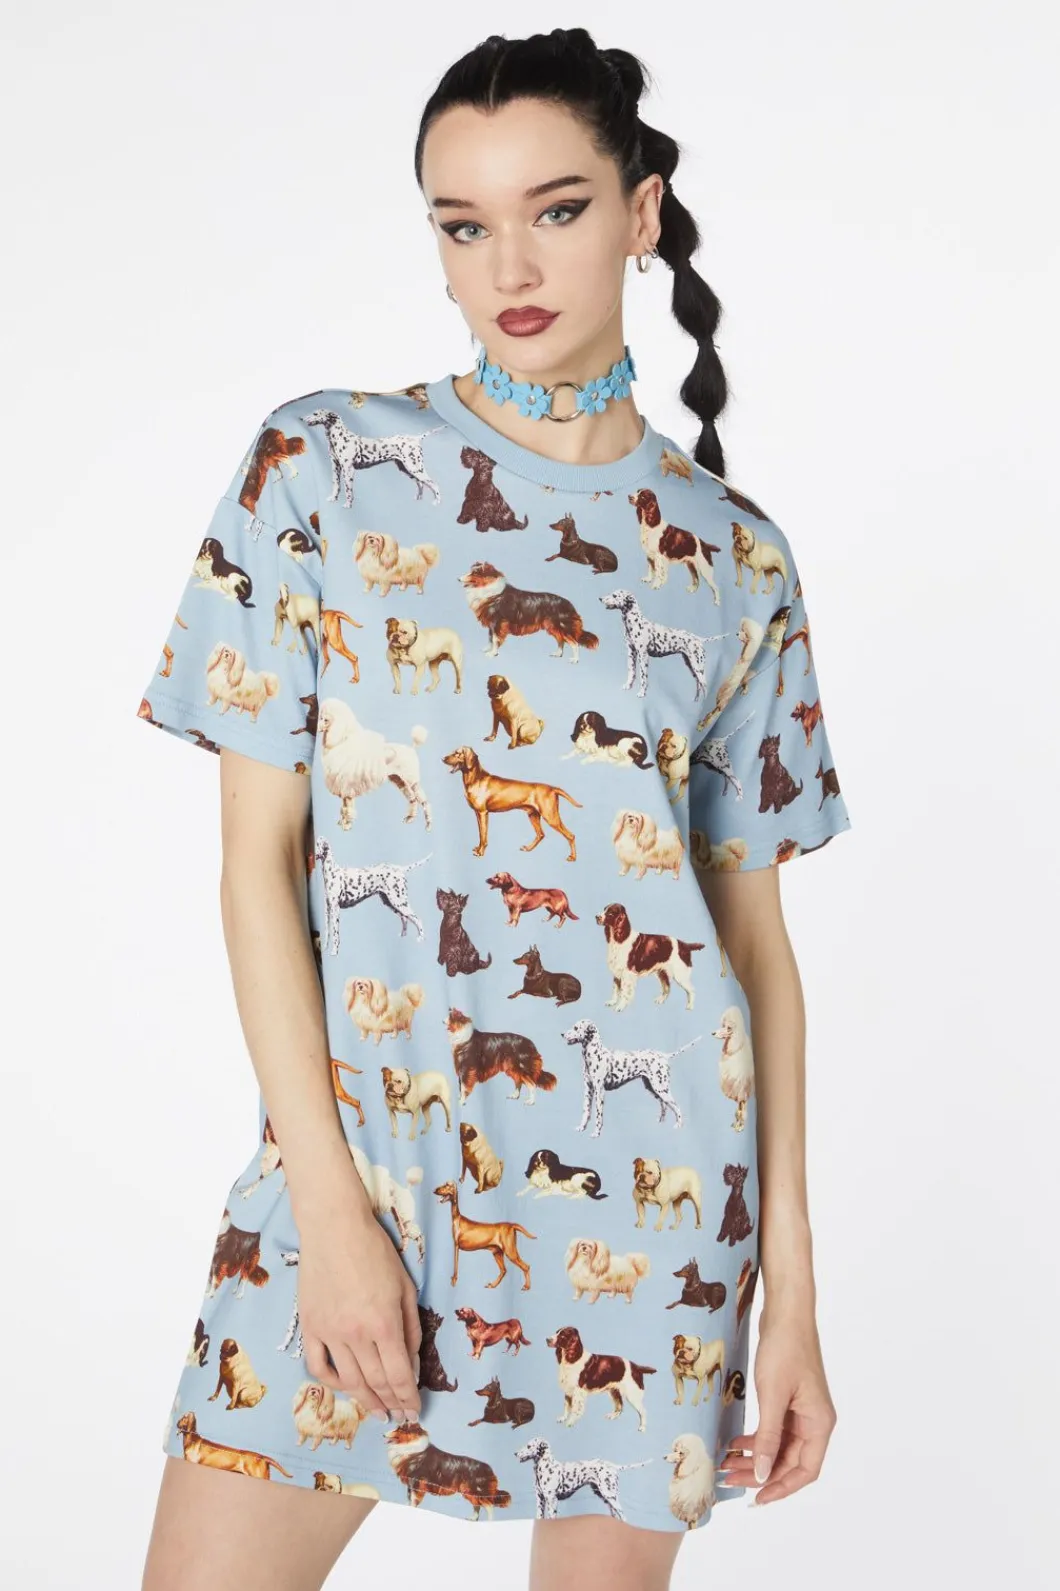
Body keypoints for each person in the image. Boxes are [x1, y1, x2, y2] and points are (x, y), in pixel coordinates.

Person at [137, 25, 853, 1591]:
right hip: (364, 1179)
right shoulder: (321, 468)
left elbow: (754, 945)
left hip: (652, 1216)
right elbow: (255, 869)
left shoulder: (732, 554)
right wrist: (329, 1214)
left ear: (642, 212)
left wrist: (790, 1292)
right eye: (463, 226)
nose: (509, 267)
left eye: (557, 209)